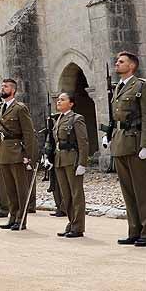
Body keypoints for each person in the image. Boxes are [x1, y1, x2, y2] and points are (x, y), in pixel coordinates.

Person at [102, 51, 146, 248]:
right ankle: (134, 230)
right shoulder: (118, 88)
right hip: (120, 143)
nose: (117, 64)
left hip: (136, 143)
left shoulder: (142, 86)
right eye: (117, 61)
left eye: (121, 62)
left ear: (132, 66)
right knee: (128, 191)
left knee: (143, 191)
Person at [0, 79, 37, 230]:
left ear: (13, 90)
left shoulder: (20, 108)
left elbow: (28, 133)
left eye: (6, 87)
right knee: (9, 189)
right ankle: (12, 217)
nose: (2, 89)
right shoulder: (1, 108)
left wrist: (28, 155)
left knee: (20, 189)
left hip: (17, 152)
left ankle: (21, 219)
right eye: (2, 86)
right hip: (3, 152)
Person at [51, 92, 89, 238]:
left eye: (62, 99)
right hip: (60, 159)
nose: (59, 102)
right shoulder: (58, 119)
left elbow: (83, 142)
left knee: (76, 193)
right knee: (66, 194)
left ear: (71, 103)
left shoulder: (76, 119)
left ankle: (78, 226)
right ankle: (71, 222)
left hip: (72, 159)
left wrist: (82, 163)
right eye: (58, 99)